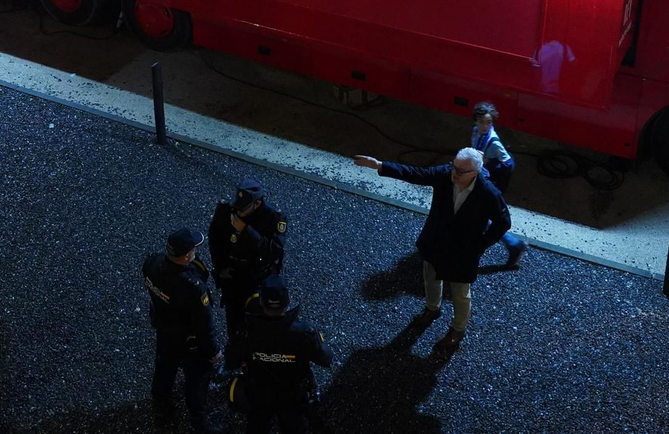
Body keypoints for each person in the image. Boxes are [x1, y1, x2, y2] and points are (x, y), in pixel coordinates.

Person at [351, 147, 511, 350]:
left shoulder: (488, 193)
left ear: (476, 172)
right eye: (454, 167)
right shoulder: (446, 175)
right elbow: (417, 174)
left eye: (461, 171)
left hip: (463, 251)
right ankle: (432, 308)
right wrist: (379, 165)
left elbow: (503, 222)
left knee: (460, 292)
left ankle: (457, 329)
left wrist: (480, 245)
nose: (455, 173)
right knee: (430, 277)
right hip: (436, 240)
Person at [225, 277, 332, 434]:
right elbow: (326, 359)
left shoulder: (245, 333)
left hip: (258, 393)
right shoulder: (304, 332)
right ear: (288, 301)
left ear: (261, 302)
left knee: (257, 427)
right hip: (293, 395)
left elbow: (230, 361)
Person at [144, 228, 225, 434]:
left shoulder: (152, 264)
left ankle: (161, 411)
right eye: (194, 249)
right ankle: (199, 423)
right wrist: (214, 352)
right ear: (187, 255)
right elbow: (204, 326)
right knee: (197, 380)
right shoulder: (193, 288)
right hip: (190, 342)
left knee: (163, 371)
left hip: (165, 331)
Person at [208, 179, 287, 344]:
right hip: (233, 275)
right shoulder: (225, 210)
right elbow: (214, 239)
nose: (237, 211)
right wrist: (220, 266)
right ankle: (234, 354)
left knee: (258, 319)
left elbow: (274, 251)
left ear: (257, 204)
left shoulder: (274, 217)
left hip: (257, 277)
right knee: (234, 316)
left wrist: (246, 231)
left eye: (243, 208)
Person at [471, 102, 527, 265]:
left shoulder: (493, 142)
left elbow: (508, 164)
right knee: (477, 214)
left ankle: (513, 244)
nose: (485, 126)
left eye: (488, 122)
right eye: (482, 121)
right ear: (476, 121)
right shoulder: (476, 133)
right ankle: (513, 244)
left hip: (488, 182)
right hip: (478, 177)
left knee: (478, 215)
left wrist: (488, 163)